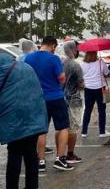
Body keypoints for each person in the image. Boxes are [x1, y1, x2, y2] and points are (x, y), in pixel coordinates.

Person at [0, 53, 48, 189]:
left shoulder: (1, 70)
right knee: (31, 151)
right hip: (35, 113)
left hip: (15, 116)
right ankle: (32, 187)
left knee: (14, 151)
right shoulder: (27, 67)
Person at [24, 35, 73, 172]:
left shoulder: (29, 58)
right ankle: (60, 158)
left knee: (41, 129)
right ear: (52, 45)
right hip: (55, 96)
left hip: (38, 98)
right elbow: (61, 78)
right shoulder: (54, 58)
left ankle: (40, 160)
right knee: (63, 127)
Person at [61, 40, 84, 164]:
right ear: (73, 50)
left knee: (61, 128)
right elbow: (80, 84)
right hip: (73, 99)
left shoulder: (60, 62)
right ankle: (70, 153)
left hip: (60, 98)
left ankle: (60, 154)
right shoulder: (75, 65)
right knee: (73, 128)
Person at [81, 49, 110, 138]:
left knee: (88, 110)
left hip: (88, 88)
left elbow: (81, 76)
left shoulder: (83, 64)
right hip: (101, 88)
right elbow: (107, 73)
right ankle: (102, 132)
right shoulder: (101, 62)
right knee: (102, 110)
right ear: (95, 53)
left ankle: (84, 131)